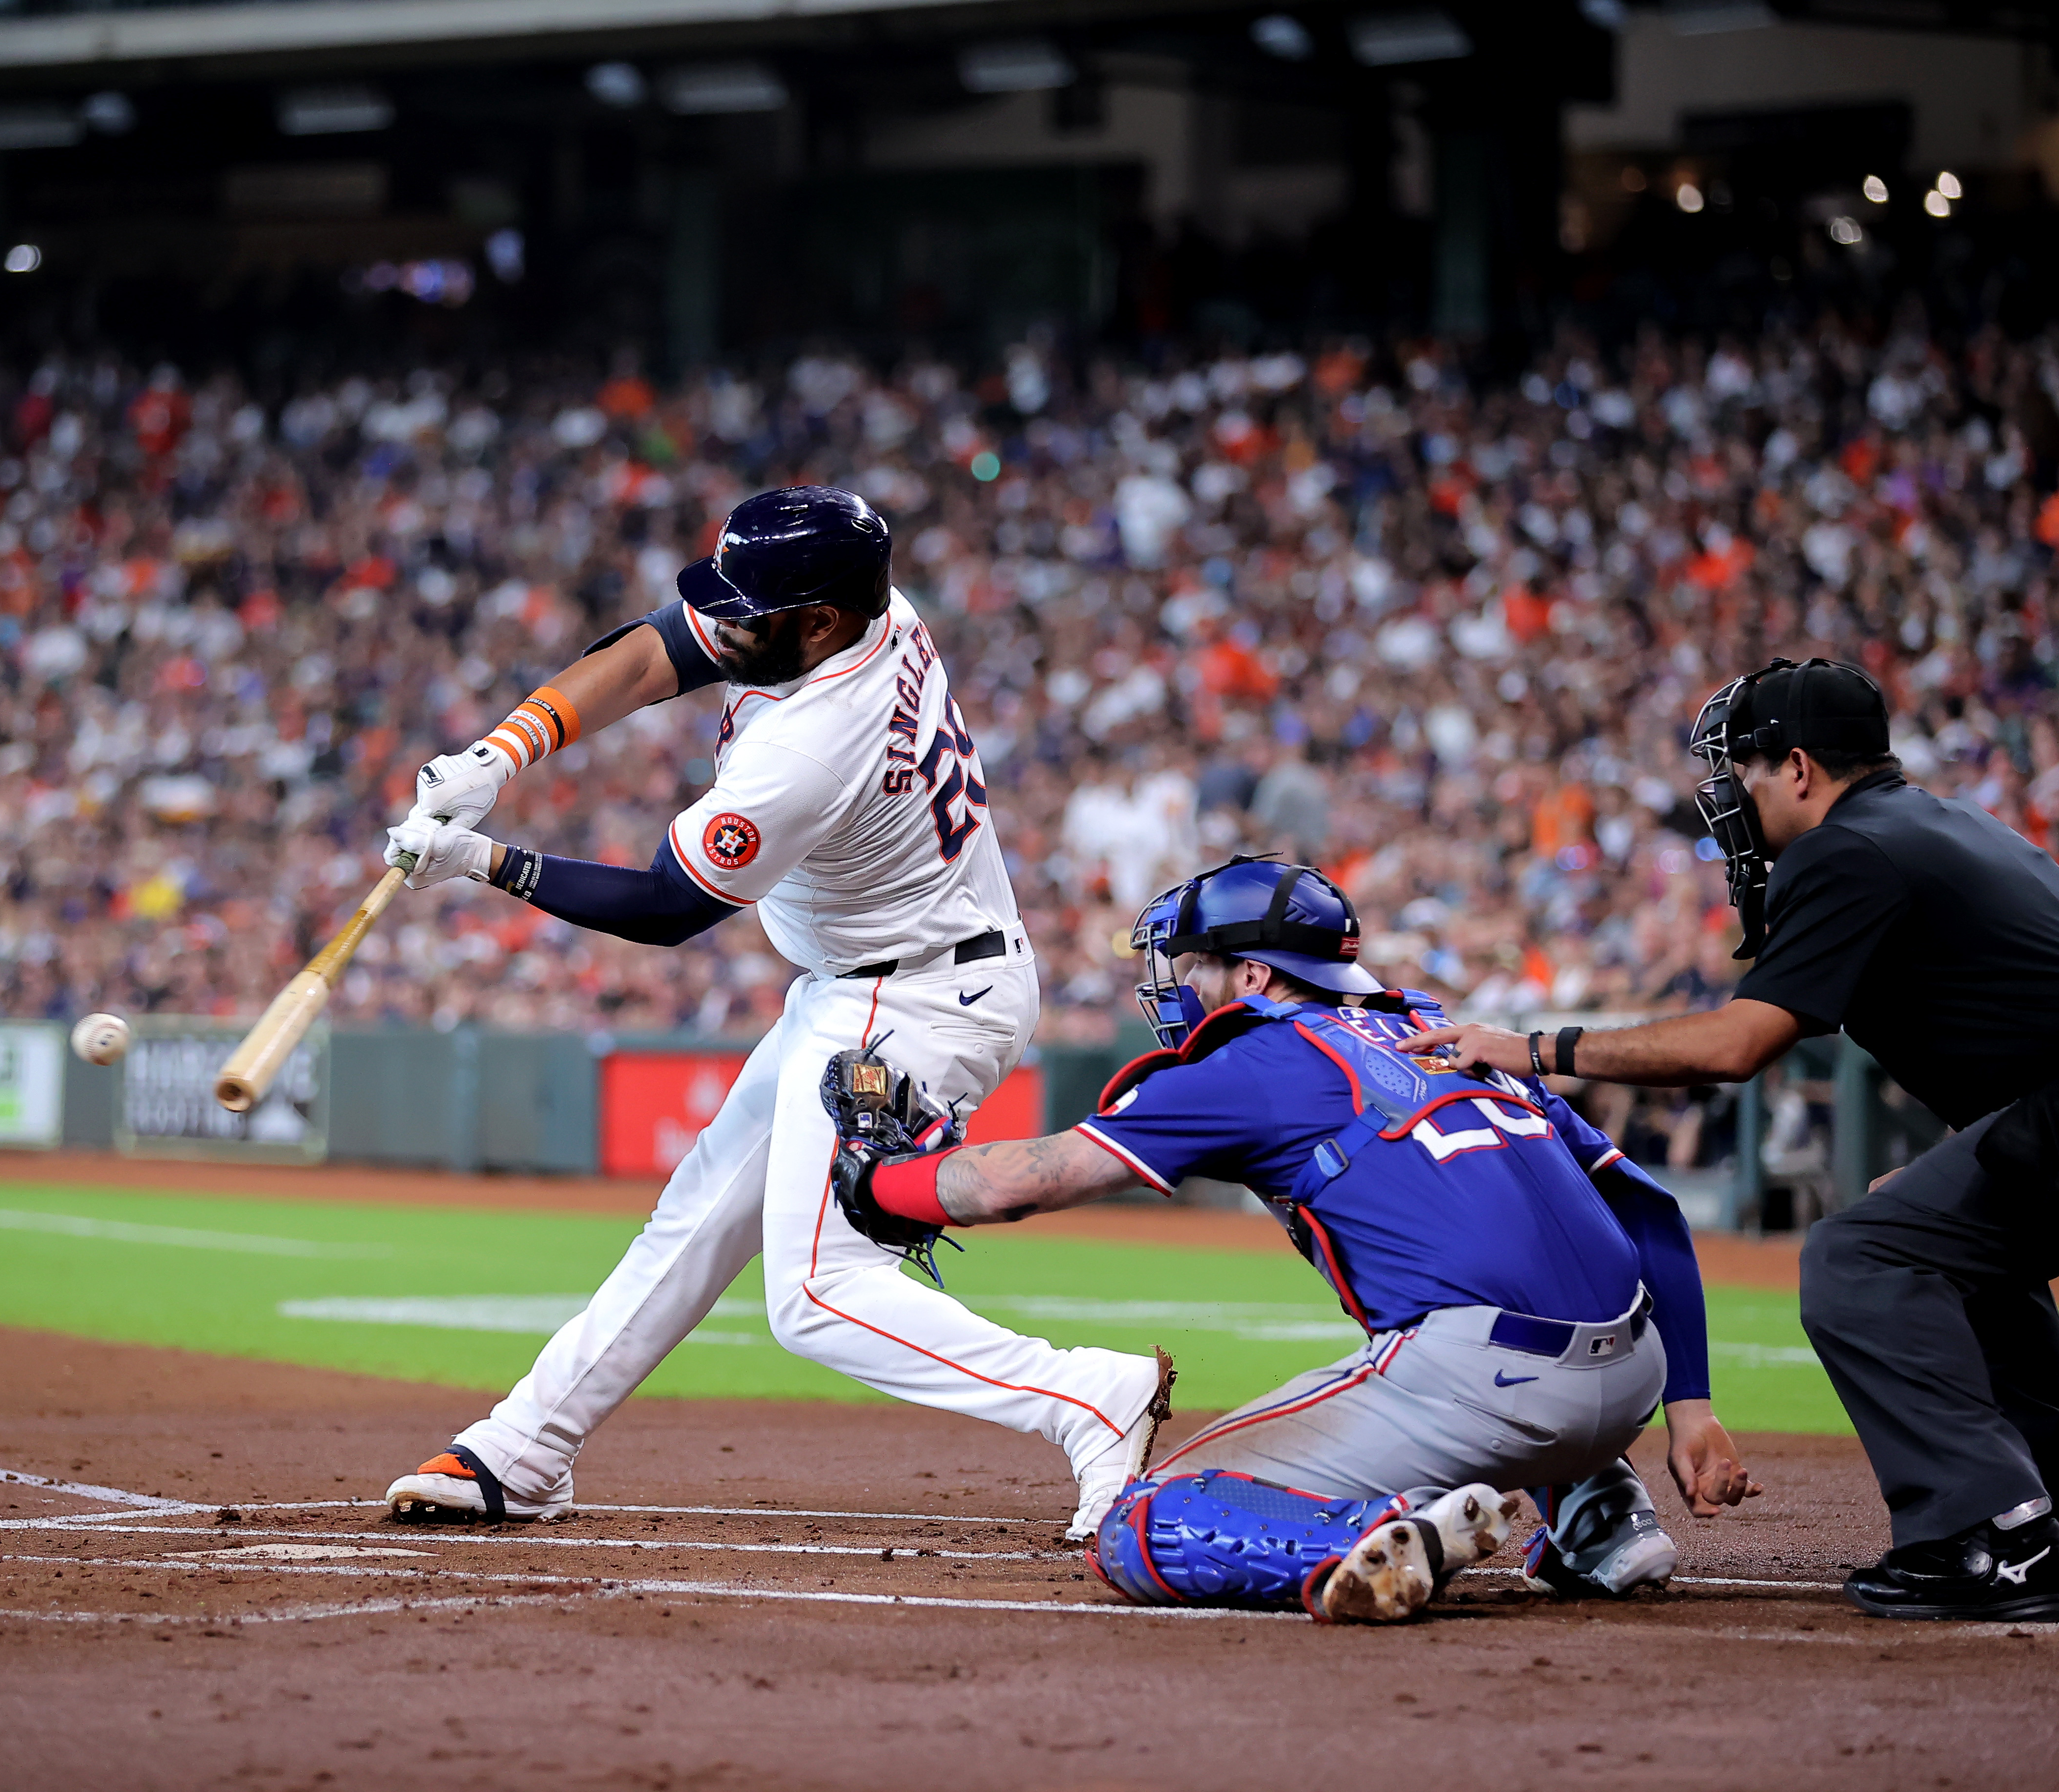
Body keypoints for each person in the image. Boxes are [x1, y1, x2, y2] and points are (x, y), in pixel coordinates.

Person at [374, 486, 1173, 1541]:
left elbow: (668, 909)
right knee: (698, 1218)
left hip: (913, 997)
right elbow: (658, 648)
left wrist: (488, 862)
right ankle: (526, 1447)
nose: (726, 622)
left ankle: (1088, 1398)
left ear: (820, 622)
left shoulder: (812, 745)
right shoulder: (859, 611)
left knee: (817, 1293)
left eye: (753, 610)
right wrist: (502, 754)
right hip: (881, 976)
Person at [1404, 657, 2059, 1624]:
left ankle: (1993, 1538)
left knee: (1859, 1256)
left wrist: (1532, 1049)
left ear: (1798, 768)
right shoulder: (1939, 820)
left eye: (1745, 774)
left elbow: (1735, 1046)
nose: (1735, 800)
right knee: (1941, 1244)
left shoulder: (1848, 850)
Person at [823, 854, 1757, 1620]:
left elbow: (1023, 1181)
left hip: (1484, 1384)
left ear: (1256, 976)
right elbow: (1649, 1211)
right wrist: (1692, 1406)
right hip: (1634, 1374)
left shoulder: (1260, 1058)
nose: (1180, 987)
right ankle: (1601, 1514)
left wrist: (886, 1178)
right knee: (1517, 1287)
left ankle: (1400, 1531)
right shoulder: (1436, 1025)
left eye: (1193, 966)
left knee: (1139, 1525)